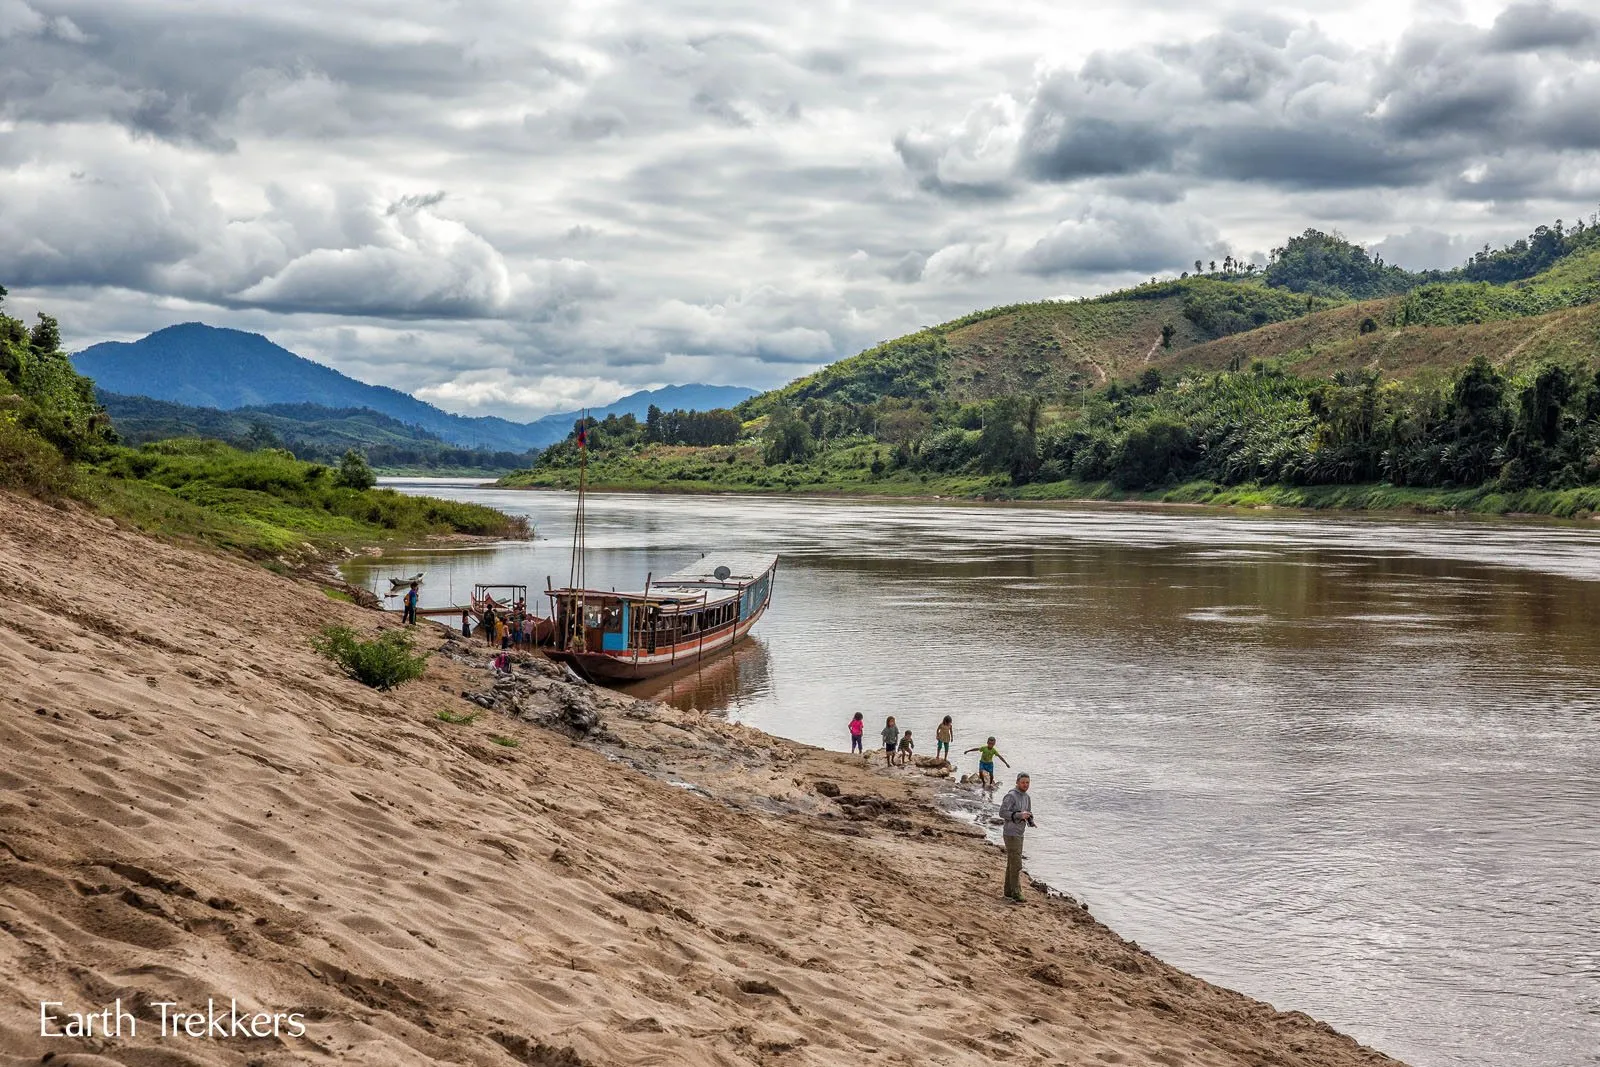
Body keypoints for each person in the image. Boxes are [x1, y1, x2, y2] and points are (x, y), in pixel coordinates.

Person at [998, 772, 1035, 902]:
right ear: (1017, 782)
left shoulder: (1027, 797)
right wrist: (1019, 815)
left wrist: (1030, 820)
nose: (1026, 785)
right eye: (1023, 782)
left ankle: (1008, 892)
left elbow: (1028, 813)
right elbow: (1002, 813)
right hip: (1010, 833)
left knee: (1012, 863)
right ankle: (1016, 892)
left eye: (1028, 783)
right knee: (1017, 864)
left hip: (1020, 833)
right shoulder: (1011, 796)